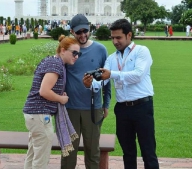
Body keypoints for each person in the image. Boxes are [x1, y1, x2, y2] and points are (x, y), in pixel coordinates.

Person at [99, 19, 159, 169]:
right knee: (128, 152)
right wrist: (90, 84)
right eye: (112, 37)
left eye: (118, 37)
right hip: (122, 109)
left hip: (142, 107)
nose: (115, 41)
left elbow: (137, 75)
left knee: (148, 150)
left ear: (129, 35)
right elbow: (103, 80)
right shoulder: (112, 58)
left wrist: (112, 74)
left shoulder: (141, 51)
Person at [23, 35, 81, 169]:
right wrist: (61, 99)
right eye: (74, 52)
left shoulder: (53, 61)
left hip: (34, 114)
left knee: (32, 154)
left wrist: (59, 93)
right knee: (41, 159)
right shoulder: (55, 64)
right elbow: (44, 91)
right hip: (40, 115)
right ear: (62, 50)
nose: (77, 56)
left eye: (79, 53)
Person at [61, 14, 111, 169]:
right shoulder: (68, 50)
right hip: (71, 107)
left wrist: (106, 103)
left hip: (93, 107)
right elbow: (59, 74)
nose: (82, 35)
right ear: (71, 31)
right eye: (78, 32)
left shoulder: (100, 49)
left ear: (90, 29)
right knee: (69, 151)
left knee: (92, 150)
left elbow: (107, 78)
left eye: (85, 31)